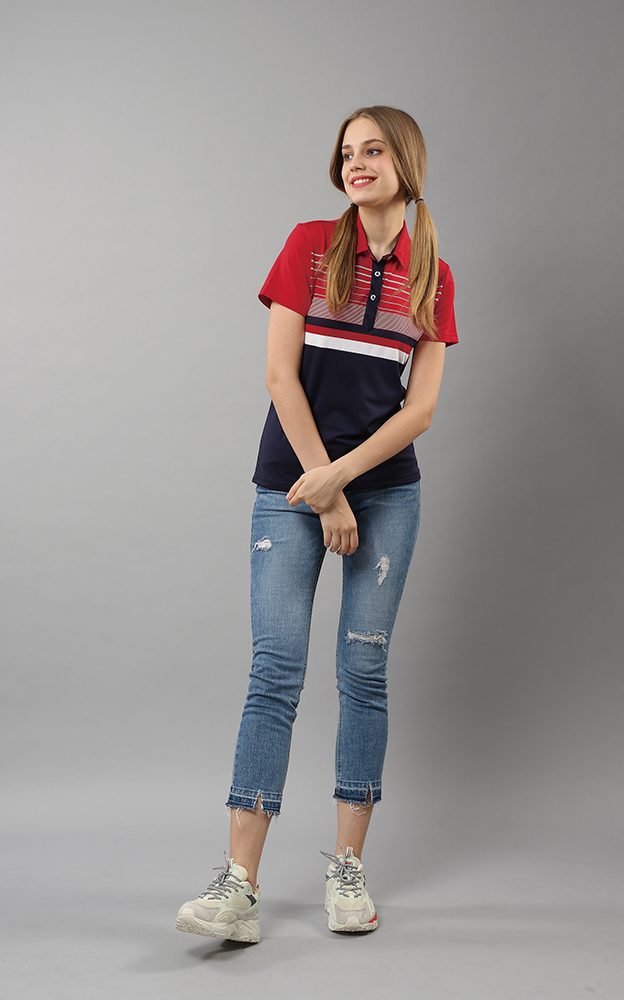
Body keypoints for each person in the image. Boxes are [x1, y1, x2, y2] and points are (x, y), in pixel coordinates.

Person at [176, 105, 457, 943]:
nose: (355, 163)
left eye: (373, 150)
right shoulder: (309, 245)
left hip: (387, 494)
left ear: (407, 162)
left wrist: (347, 479)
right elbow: (278, 375)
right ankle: (239, 886)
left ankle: (347, 871)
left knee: (363, 674)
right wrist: (325, 490)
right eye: (346, 153)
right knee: (275, 672)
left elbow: (421, 410)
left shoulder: (434, 275)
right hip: (292, 488)